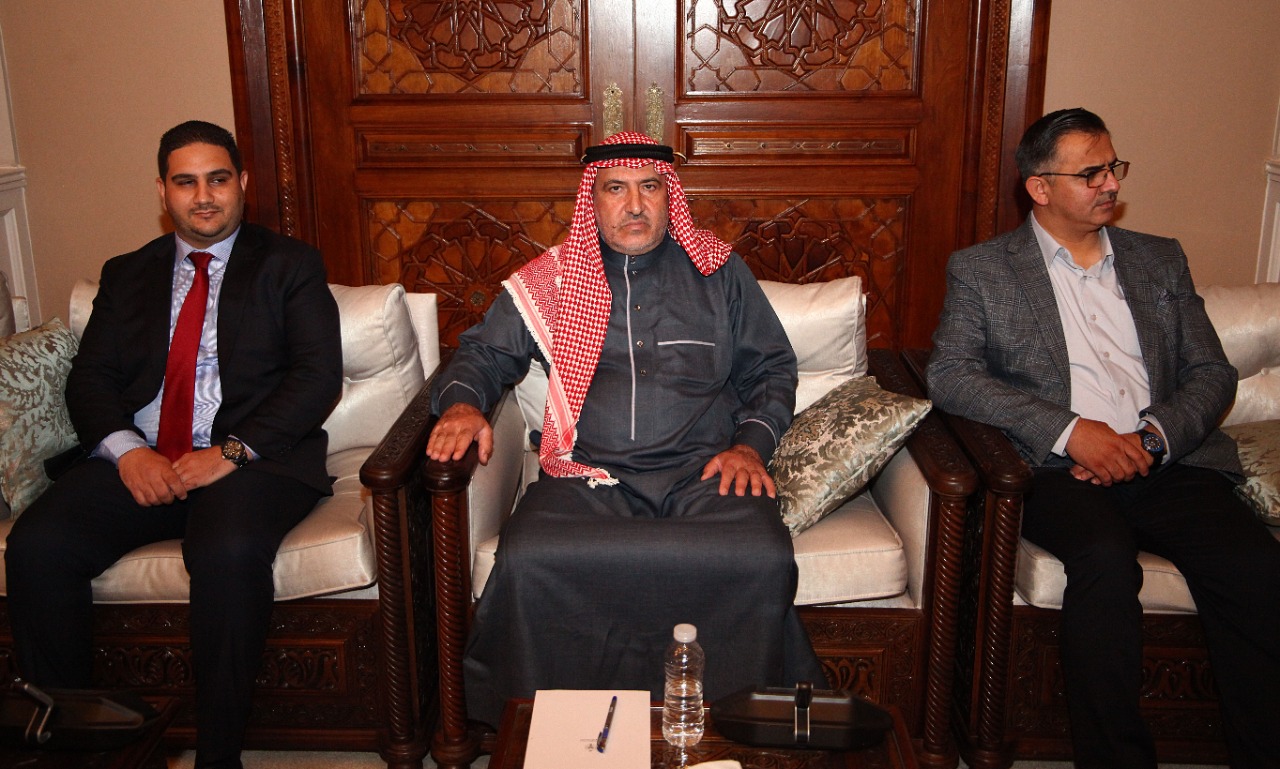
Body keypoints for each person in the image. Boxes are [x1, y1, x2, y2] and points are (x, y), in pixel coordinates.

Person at [426, 131, 825, 727]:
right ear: (593, 199)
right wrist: (462, 405)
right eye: (616, 189)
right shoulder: (554, 280)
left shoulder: (720, 273)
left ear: (671, 196)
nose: (634, 205)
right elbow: (483, 354)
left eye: (650, 187)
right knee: (531, 556)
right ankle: (549, 730)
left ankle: (735, 729)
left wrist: (750, 445)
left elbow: (771, 367)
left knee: (761, 555)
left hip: (704, 473)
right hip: (590, 476)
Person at [927, 108, 1280, 769]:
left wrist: (1152, 438)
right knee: (1105, 562)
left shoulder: (1158, 258)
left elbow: (1212, 372)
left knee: (1257, 568)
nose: (1111, 183)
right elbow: (950, 374)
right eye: (1090, 173)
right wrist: (1069, 432)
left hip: (1169, 465)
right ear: (1039, 187)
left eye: (1113, 166)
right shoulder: (984, 269)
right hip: (1058, 473)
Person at [5, 121, 342, 769]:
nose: (204, 196)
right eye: (185, 182)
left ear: (243, 183)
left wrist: (230, 453)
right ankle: (72, 746)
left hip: (249, 463)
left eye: (218, 179)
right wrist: (128, 451)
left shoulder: (290, 265)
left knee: (227, 550)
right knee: (38, 545)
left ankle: (218, 756)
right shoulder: (127, 273)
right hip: (147, 457)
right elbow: (90, 379)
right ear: (162, 191)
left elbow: (315, 377)